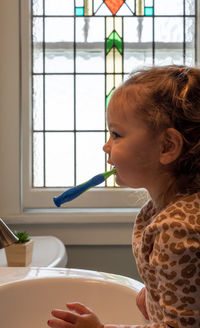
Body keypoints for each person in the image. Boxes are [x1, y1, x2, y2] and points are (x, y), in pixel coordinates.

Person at [47, 65, 200, 328]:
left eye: (116, 134)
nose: (106, 145)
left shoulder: (177, 230)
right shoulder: (160, 211)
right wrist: (155, 294)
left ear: (167, 146)